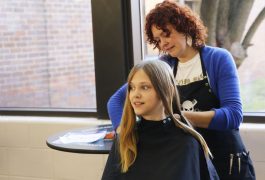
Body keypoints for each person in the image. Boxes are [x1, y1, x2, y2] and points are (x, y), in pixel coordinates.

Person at [107, 1, 255, 180]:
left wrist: (179, 118)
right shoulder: (162, 66)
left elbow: (233, 115)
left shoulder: (218, 59)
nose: (163, 44)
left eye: (166, 34)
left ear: (184, 26)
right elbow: (115, 101)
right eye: (158, 39)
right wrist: (123, 130)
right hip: (185, 159)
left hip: (226, 160)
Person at [102, 60, 219, 180]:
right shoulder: (125, 139)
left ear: (167, 90)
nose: (135, 94)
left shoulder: (187, 143)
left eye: (145, 87)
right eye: (132, 88)